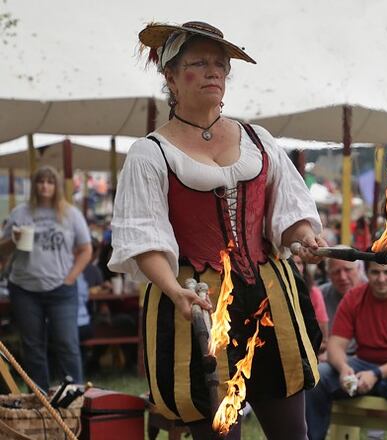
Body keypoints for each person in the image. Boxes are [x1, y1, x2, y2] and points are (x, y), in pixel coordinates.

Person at [110, 22, 324, 440]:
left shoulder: (258, 139)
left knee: (292, 432)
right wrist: (174, 291)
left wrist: (304, 237)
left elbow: (289, 210)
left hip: (269, 297)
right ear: (171, 76)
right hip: (197, 303)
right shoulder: (150, 154)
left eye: (220, 64)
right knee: (218, 432)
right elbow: (144, 237)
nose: (214, 72)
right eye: (199, 63)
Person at [305, 256, 387, 440]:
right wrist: (343, 368)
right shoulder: (354, 297)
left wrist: (375, 374)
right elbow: (335, 345)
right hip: (364, 364)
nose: (381, 279)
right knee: (317, 377)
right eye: (375, 272)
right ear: (366, 272)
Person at [0, 165, 92, 389]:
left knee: (67, 343)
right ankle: (39, 398)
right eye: (41, 181)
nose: (45, 186)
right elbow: (2, 249)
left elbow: (86, 249)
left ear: (57, 186)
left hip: (61, 289)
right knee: (32, 346)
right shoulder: (20, 213)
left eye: (50, 182)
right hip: (24, 289)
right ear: (34, 185)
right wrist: (13, 240)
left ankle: (74, 396)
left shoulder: (70, 214)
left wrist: (70, 278)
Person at [320, 257, 363, 332]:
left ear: (359, 269)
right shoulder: (320, 296)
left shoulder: (374, 291)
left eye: (348, 270)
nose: (343, 277)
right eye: (336, 272)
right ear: (328, 275)